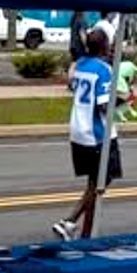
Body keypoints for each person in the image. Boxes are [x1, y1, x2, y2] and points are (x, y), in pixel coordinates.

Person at [54, 28, 118, 239]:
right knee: (99, 183)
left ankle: (80, 228)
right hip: (97, 134)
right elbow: (102, 105)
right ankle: (72, 223)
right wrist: (122, 101)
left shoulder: (81, 66)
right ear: (104, 47)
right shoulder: (104, 69)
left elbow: (75, 87)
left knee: (94, 182)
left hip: (78, 131)